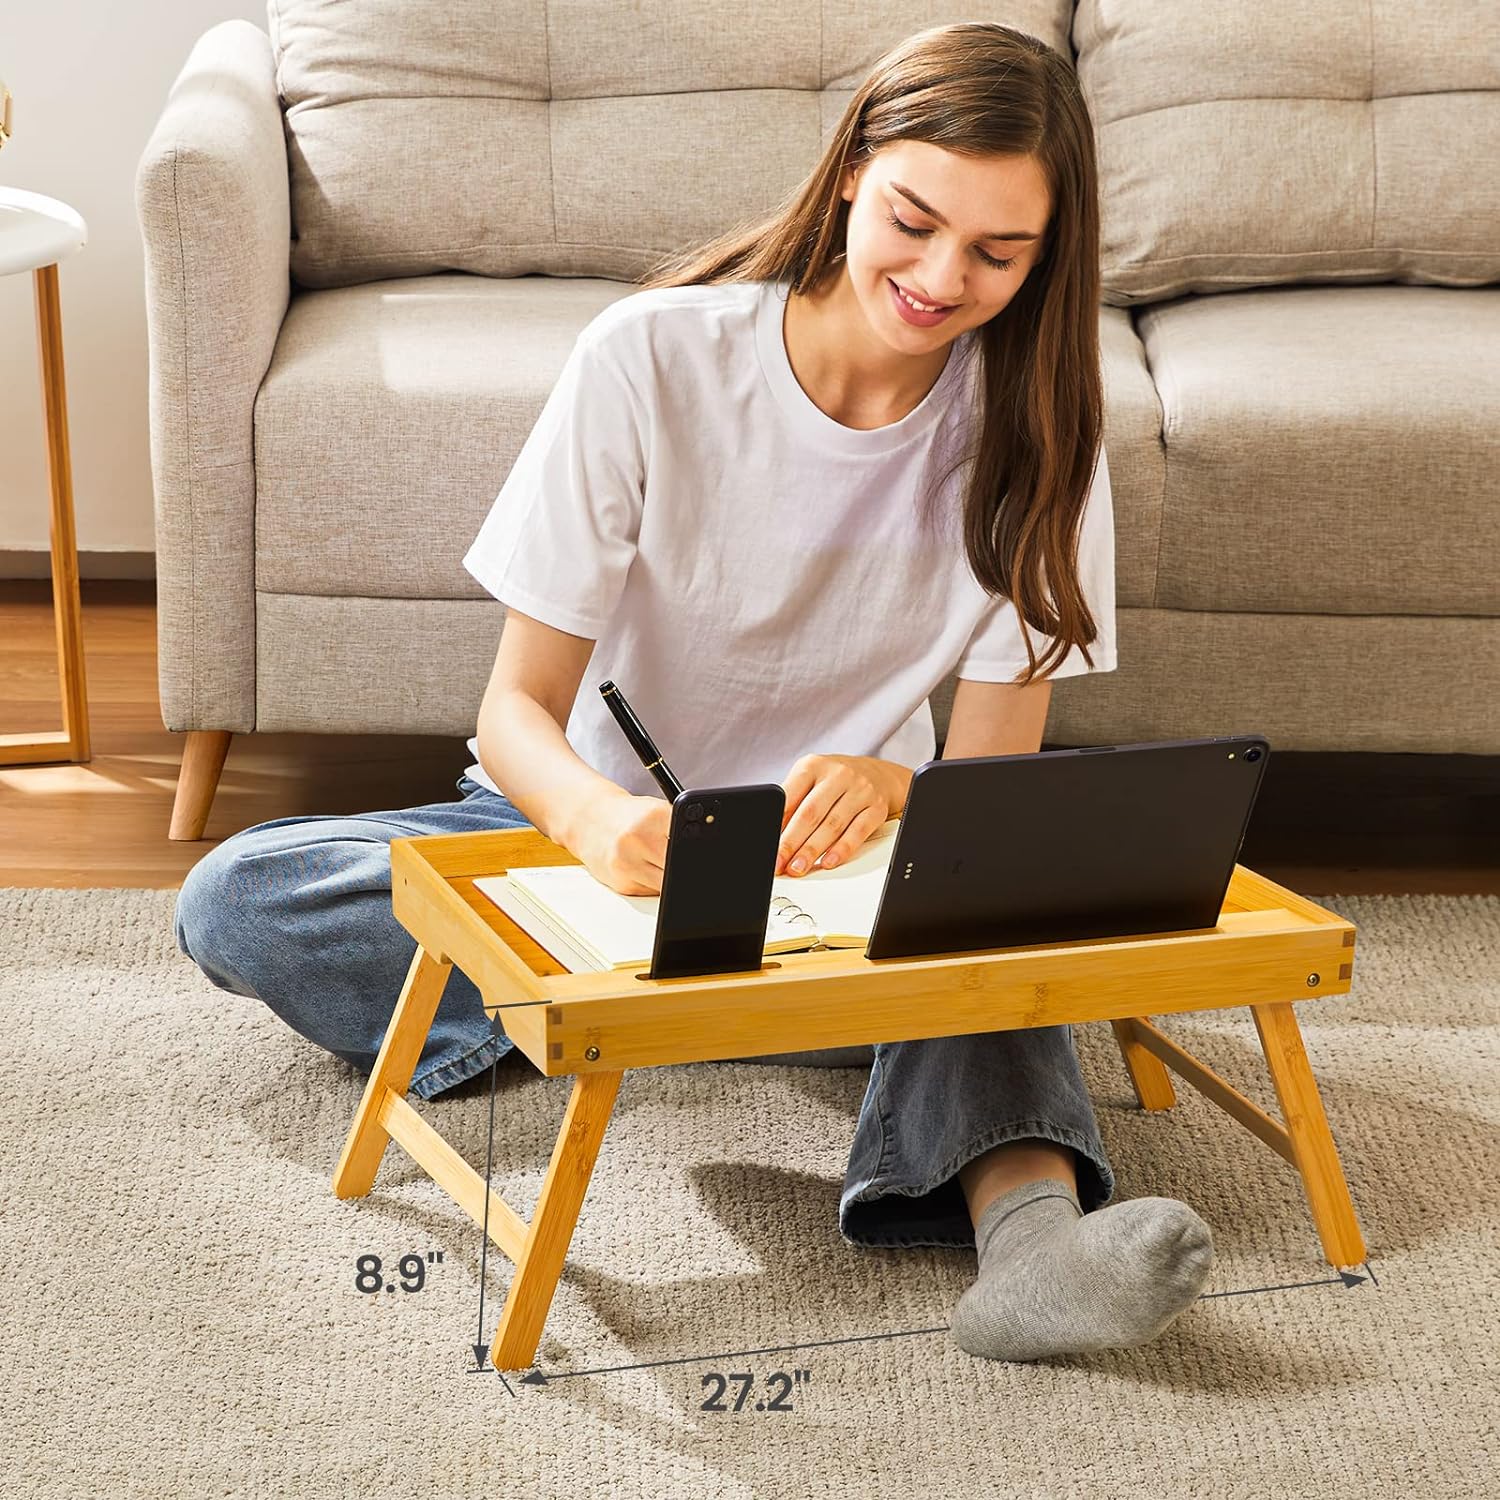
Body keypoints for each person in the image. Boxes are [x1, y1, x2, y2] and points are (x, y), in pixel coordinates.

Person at [174, 22, 1214, 1363]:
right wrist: (600, 827)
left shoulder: (1042, 444)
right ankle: (692, 1008)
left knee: (999, 922)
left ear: (1045, 259)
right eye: (913, 220)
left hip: (855, 876)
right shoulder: (651, 359)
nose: (942, 276)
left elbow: (991, 794)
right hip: (585, 844)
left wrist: (901, 786)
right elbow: (514, 716)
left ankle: (1031, 1243)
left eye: (998, 254)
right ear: (850, 173)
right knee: (237, 898)